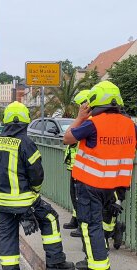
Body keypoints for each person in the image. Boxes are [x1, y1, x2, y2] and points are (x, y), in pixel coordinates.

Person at [0, 101, 74, 270]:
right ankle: (56, 262)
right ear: (26, 121)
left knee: (7, 235)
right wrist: (35, 192)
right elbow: (37, 174)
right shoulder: (26, 142)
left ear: (6, 121)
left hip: (1, 202)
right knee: (50, 218)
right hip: (25, 202)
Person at [63, 81, 136, 270]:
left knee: (90, 226)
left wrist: (79, 117)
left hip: (90, 185)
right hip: (115, 187)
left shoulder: (93, 124)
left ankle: (98, 266)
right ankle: (94, 261)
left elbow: (67, 138)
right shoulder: (130, 125)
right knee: (104, 225)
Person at [63, 90, 90, 238]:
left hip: (82, 167)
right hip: (75, 166)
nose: (78, 107)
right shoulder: (83, 121)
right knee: (75, 195)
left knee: (81, 198)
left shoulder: (88, 123)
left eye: (80, 104)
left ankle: (81, 225)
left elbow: (68, 138)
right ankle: (76, 219)